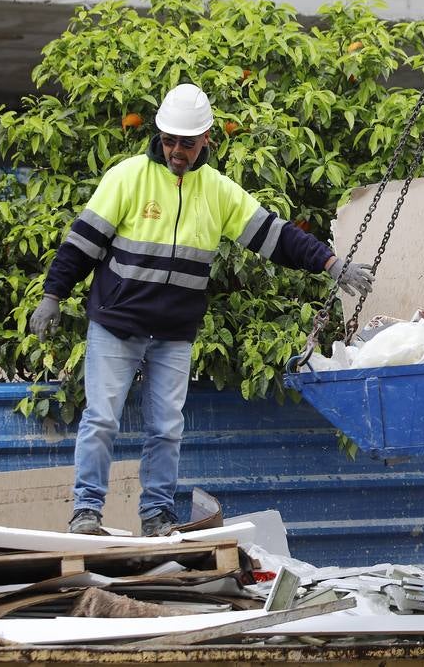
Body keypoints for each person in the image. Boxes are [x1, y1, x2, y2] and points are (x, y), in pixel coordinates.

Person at [28, 83, 373, 537]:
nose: (176, 151)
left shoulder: (218, 192)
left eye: (186, 144)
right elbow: (82, 244)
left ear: (206, 139)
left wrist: (331, 263)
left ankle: (156, 515)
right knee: (102, 418)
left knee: (167, 428)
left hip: (173, 332)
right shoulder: (127, 177)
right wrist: (53, 295)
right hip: (117, 324)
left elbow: (276, 235)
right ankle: (86, 513)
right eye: (169, 141)